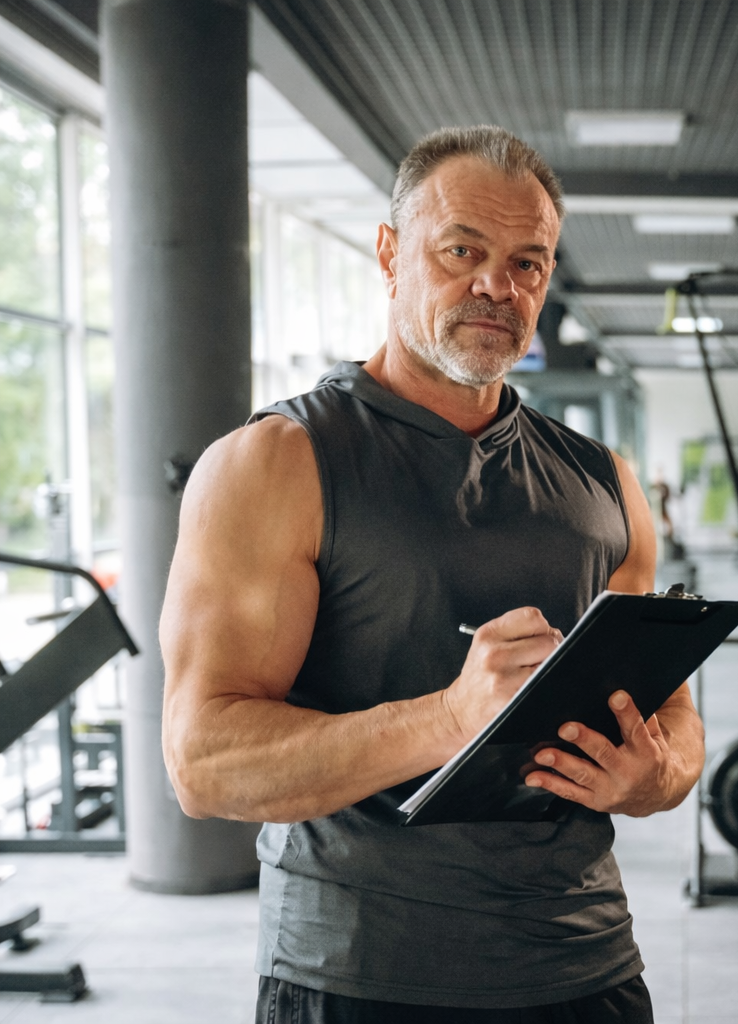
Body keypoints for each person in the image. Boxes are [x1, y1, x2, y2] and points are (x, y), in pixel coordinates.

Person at [160, 126, 704, 1023]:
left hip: (587, 972)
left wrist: (651, 776)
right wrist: (447, 718)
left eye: (530, 263)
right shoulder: (277, 463)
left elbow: (675, 718)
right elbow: (203, 763)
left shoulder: (603, 481)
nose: (498, 285)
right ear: (389, 251)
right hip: (360, 977)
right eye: (462, 251)